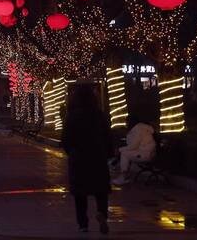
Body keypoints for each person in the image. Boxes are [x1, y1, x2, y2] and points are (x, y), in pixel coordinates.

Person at [61, 85, 112, 235]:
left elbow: (66, 139)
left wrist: (71, 152)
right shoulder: (99, 114)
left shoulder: (72, 116)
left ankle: (83, 223)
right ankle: (102, 213)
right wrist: (108, 153)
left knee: (80, 193)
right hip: (98, 157)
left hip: (79, 158)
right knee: (100, 190)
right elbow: (107, 136)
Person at [112, 115, 156, 185]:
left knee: (124, 153)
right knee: (124, 152)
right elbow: (132, 145)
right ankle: (123, 175)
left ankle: (123, 176)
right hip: (144, 152)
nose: (126, 123)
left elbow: (133, 146)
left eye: (127, 122)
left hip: (146, 153)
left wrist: (119, 150)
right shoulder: (138, 129)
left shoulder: (138, 129)